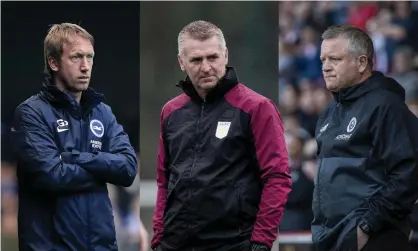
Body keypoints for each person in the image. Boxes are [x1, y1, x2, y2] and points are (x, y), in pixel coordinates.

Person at [150, 20, 291, 251]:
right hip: (175, 243)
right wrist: (158, 238)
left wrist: (261, 241)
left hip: (232, 243)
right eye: (196, 60)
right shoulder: (171, 112)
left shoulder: (257, 108)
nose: (206, 67)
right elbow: (164, 180)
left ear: (225, 55)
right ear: (181, 62)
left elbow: (277, 177)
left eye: (212, 57)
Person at [10, 23, 138, 251]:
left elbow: (128, 168)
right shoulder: (31, 113)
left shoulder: (103, 112)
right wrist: (103, 169)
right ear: (53, 62)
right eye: (76, 57)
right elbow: (52, 175)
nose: (85, 66)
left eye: (90, 57)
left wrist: (74, 158)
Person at [312, 24, 418, 251]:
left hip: (375, 238)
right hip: (332, 237)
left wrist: (367, 226)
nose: (326, 67)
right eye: (323, 60)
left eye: (335, 59)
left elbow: (408, 173)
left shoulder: (387, 106)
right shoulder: (329, 113)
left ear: (361, 63)